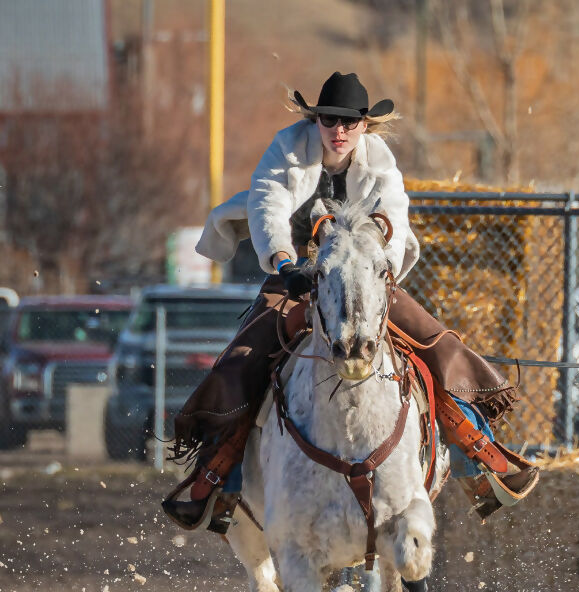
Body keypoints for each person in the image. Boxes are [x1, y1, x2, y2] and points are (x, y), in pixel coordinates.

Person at [162, 72, 539, 533]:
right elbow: (267, 206)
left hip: (363, 272)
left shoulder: (381, 161)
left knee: (434, 342)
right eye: (328, 120)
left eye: (349, 122)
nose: (338, 131)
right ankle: (215, 477)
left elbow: (394, 222)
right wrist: (284, 264)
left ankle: (483, 456)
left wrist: (377, 271)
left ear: (366, 126)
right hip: (297, 271)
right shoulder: (285, 148)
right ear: (314, 120)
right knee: (245, 357)